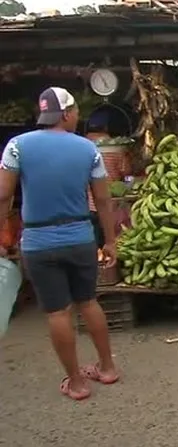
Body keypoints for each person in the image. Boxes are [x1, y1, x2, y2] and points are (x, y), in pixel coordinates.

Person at [0, 87, 119, 400]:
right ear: (66, 114)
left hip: (38, 242)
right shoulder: (88, 149)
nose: (78, 115)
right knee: (88, 301)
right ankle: (107, 368)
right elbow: (104, 200)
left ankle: (77, 383)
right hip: (80, 237)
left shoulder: (17, 146)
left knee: (57, 313)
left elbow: (3, 195)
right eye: (76, 110)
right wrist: (109, 241)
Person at [85, 110, 112, 247]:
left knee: (94, 246)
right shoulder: (114, 145)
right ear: (106, 127)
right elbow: (127, 171)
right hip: (110, 205)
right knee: (107, 243)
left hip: (88, 207)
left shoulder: (82, 145)